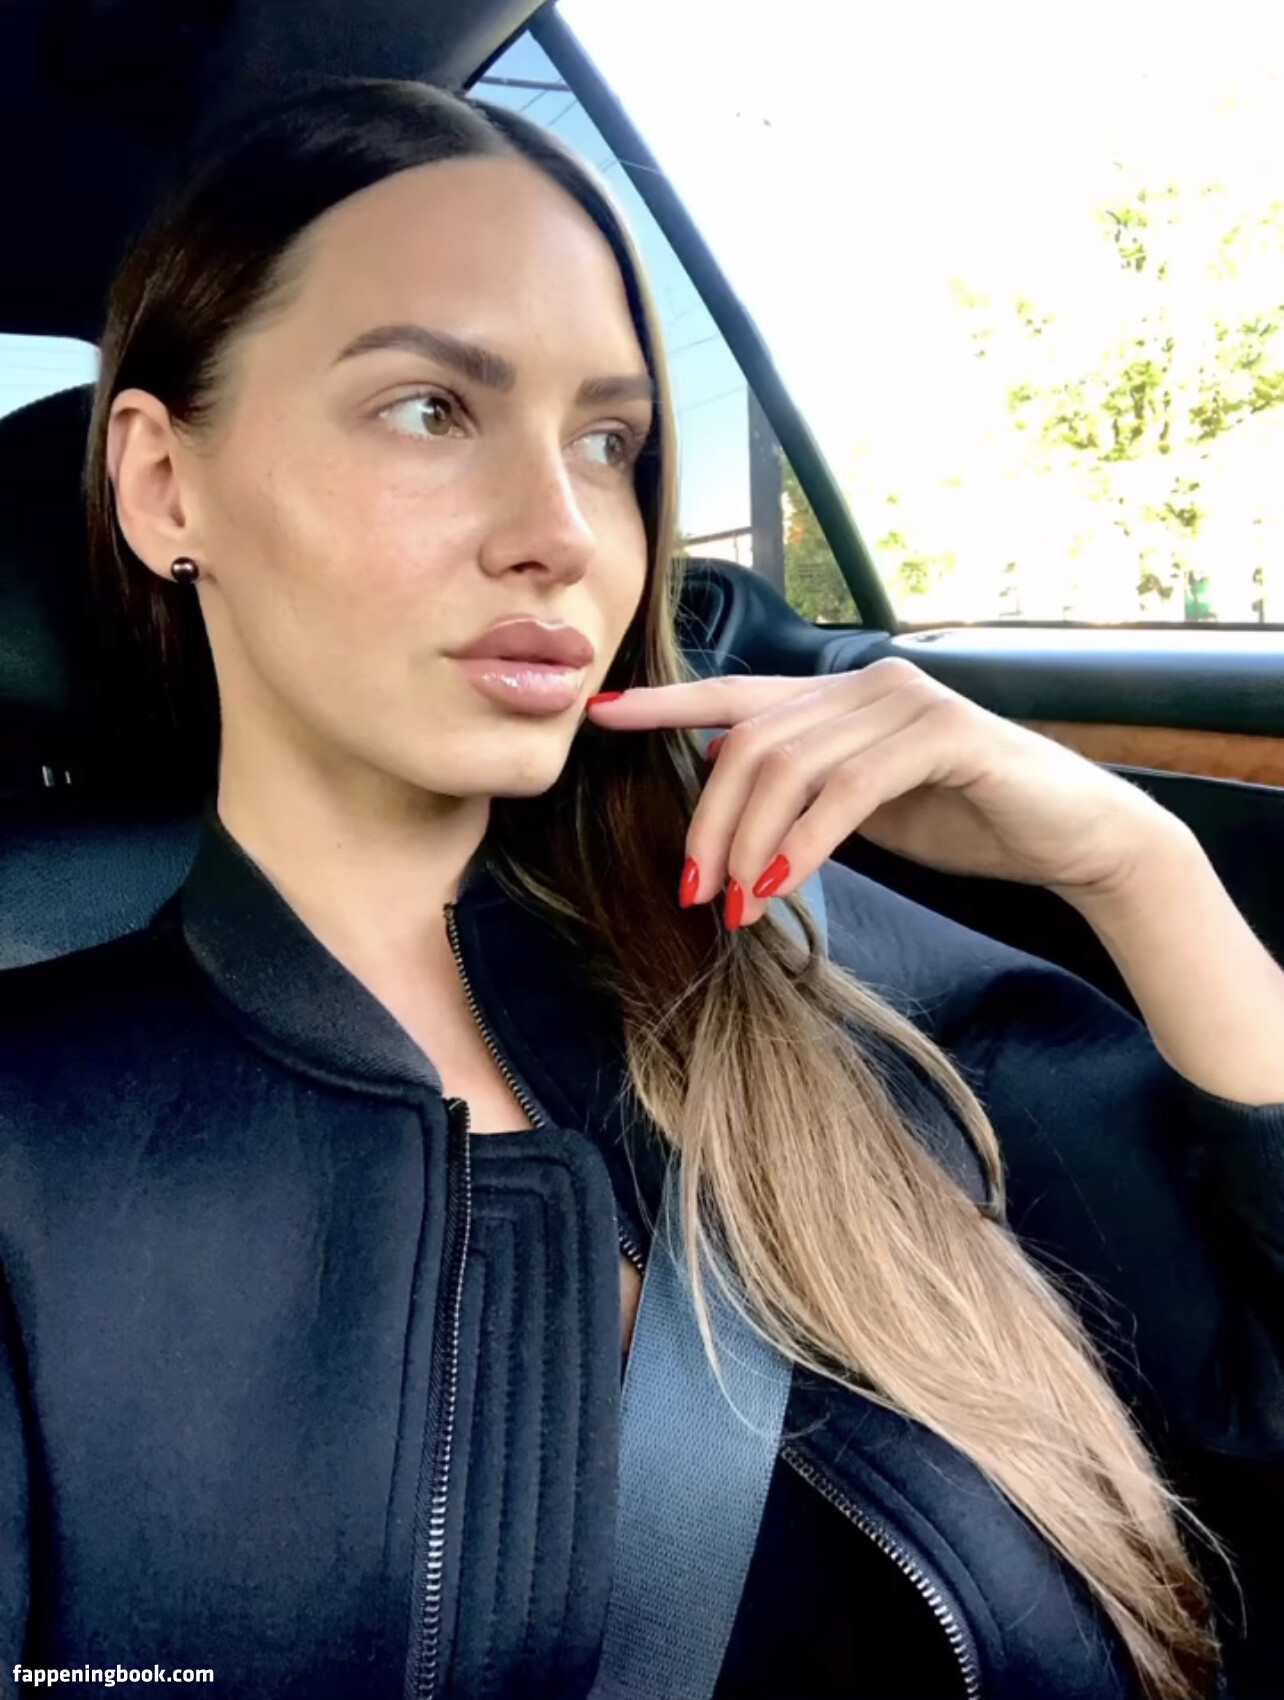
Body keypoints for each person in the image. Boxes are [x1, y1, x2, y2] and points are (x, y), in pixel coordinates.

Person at [0, 78, 1280, 1700]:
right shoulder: (36, 1139)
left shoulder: (821, 969)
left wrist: (1135, 863)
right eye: (429, 410)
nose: (564, 534)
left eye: (609, 443)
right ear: (164, 486)